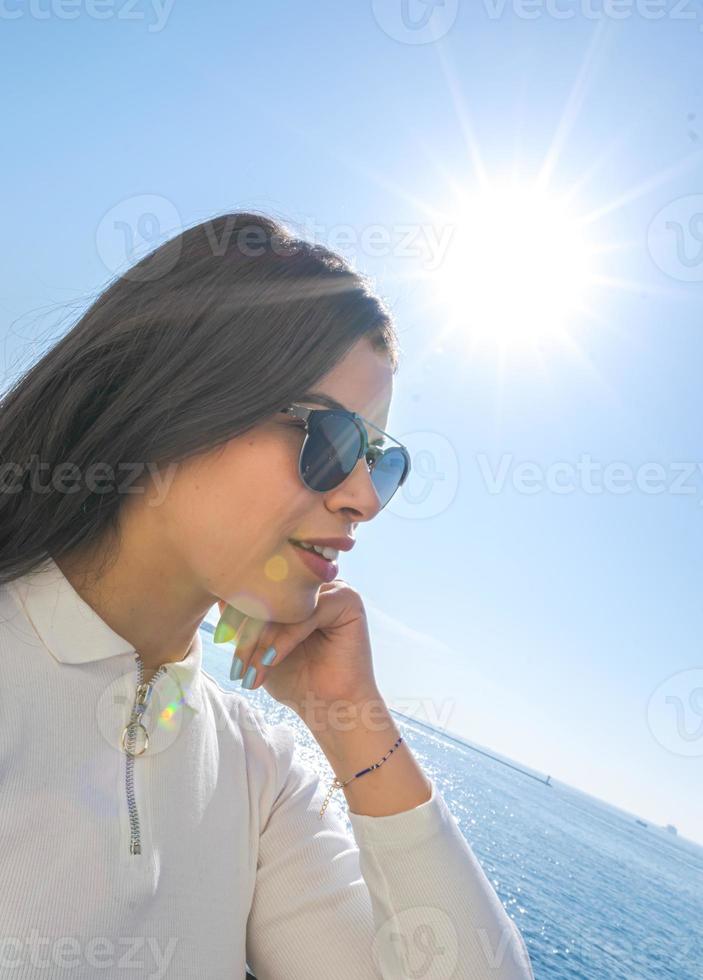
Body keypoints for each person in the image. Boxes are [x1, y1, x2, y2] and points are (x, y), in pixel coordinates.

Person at [0, 211, 534, 978]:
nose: (364, 499)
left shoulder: (256, 775)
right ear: (177, 399)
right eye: (333, 439)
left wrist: (348, 718)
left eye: (379, 459)